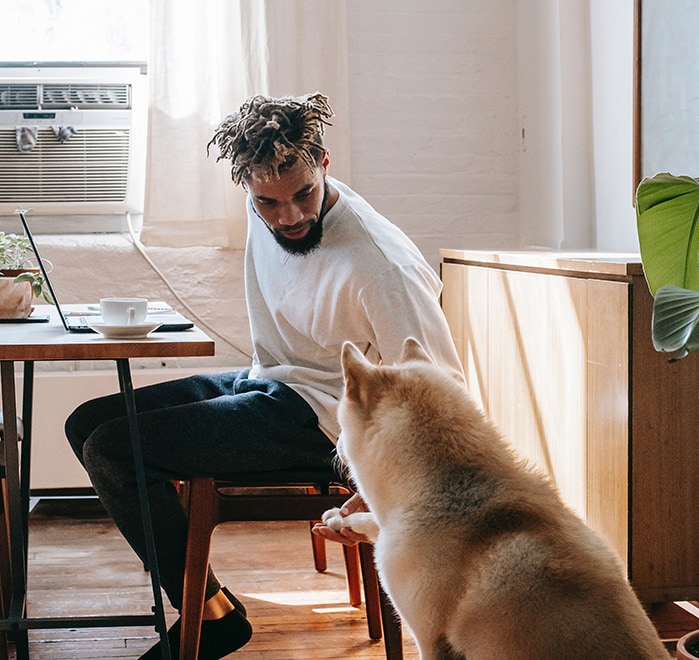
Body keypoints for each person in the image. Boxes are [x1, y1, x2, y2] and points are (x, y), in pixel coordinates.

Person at [65, 92, 464, 659]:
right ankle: (212, 607)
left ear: (324, 164)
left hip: (327, 420)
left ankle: (207, 620)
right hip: (269, 383)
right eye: (269, 202)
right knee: (87, 423)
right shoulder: (267, 212)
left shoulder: (383, 267)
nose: (291, 216)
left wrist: (377, 486)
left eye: (303, 194)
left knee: (114, 448)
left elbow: (441, 386)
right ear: (248, 190)